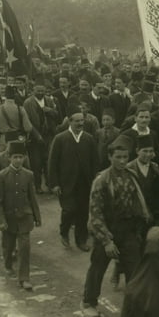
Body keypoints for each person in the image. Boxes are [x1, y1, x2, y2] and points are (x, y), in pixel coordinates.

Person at [81, 137, 151, 317]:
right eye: (118, 157)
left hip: (128, 230)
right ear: (110, 157)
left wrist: (138, 229)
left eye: (125, 157)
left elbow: (138, 204)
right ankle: (88, 303)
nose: (122, 161)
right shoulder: (102, 180)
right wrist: (106, 241)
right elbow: (95, 213)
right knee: (98, 267)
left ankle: (135, 306)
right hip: (107, 228)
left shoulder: (131, 176)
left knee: (134, 270)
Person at [0, 141, 42, 291]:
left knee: (24, 248)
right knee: (8, 246)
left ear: (24, 158)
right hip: (8, 219)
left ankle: (24, 278)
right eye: (15, 157)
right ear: (9, 157)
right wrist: (1, 221)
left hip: (25, 217)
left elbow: (32, 198)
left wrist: (37, 217)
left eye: (21, 157)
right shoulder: (1, 176)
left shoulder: (29, 175)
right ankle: (8, 264)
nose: (18, 160)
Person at [48, 106, 98, 251]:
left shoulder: (89, 139)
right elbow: (52, 163)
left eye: (82, 120)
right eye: (77, 121)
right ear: (69, 121)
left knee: (83, 212)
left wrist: (95, 180)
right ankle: (64, 232)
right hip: (66, 184)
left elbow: (95, 162)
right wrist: (55, 184)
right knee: (68, 210)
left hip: (84, 183)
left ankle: (81, 240)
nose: (80, 123)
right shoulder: (60, 139)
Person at [23, 80, 59, 193]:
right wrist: (37, 136)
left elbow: (57, 115)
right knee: (36, 163)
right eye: (38, 91)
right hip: (35, 137)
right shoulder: (28, 103)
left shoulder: (49, 100)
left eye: (42, 91)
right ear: (33, 90)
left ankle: (50, 184)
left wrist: (50, 110)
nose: (40, 93)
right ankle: (37, 186)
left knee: (48, 160)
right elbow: (27, 121)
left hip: (49, 135)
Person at [0, 85, 33, 152]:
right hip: (18, 140)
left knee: (3, 157)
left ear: (5, 95)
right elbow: (28, 128)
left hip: (4, 140)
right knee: (18, 157)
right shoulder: (21, 109)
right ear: (15, 95)